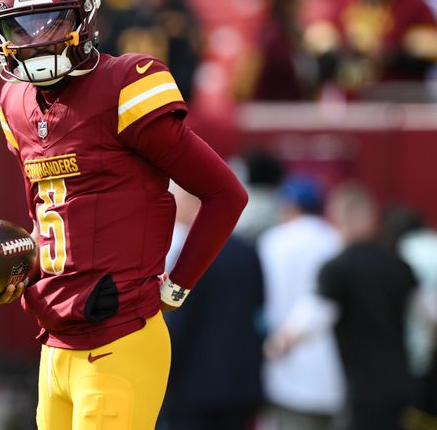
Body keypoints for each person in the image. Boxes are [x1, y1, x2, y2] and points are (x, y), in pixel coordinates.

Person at [0, 0, 248, 430]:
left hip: (118, 340)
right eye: (20, 26)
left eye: (50, 22)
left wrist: (175, 288)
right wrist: (21, 266)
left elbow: (226, 194)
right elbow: (57, 216)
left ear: (84, 18)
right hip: (55, 344)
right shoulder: (14, 103)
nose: (36, 40)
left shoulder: (125, 85)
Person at [266, 182, 419, 430]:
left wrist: (281, 342)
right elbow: (428, 312)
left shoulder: (339, 267)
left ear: (338, 219)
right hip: (401, 381)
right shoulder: (397, 264)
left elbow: (314, 313)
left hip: (361, 387)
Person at [157, 185, 265, 430]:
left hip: (192, 388)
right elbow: (258, 311)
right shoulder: (247, 251)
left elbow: (179, 321)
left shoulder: (190, 254)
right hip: (240, 384)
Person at [257, 174, 345, 430]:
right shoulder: (335, 239)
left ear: (289, 206)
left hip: (283, 355)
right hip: (334, 362)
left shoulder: (272, 241)